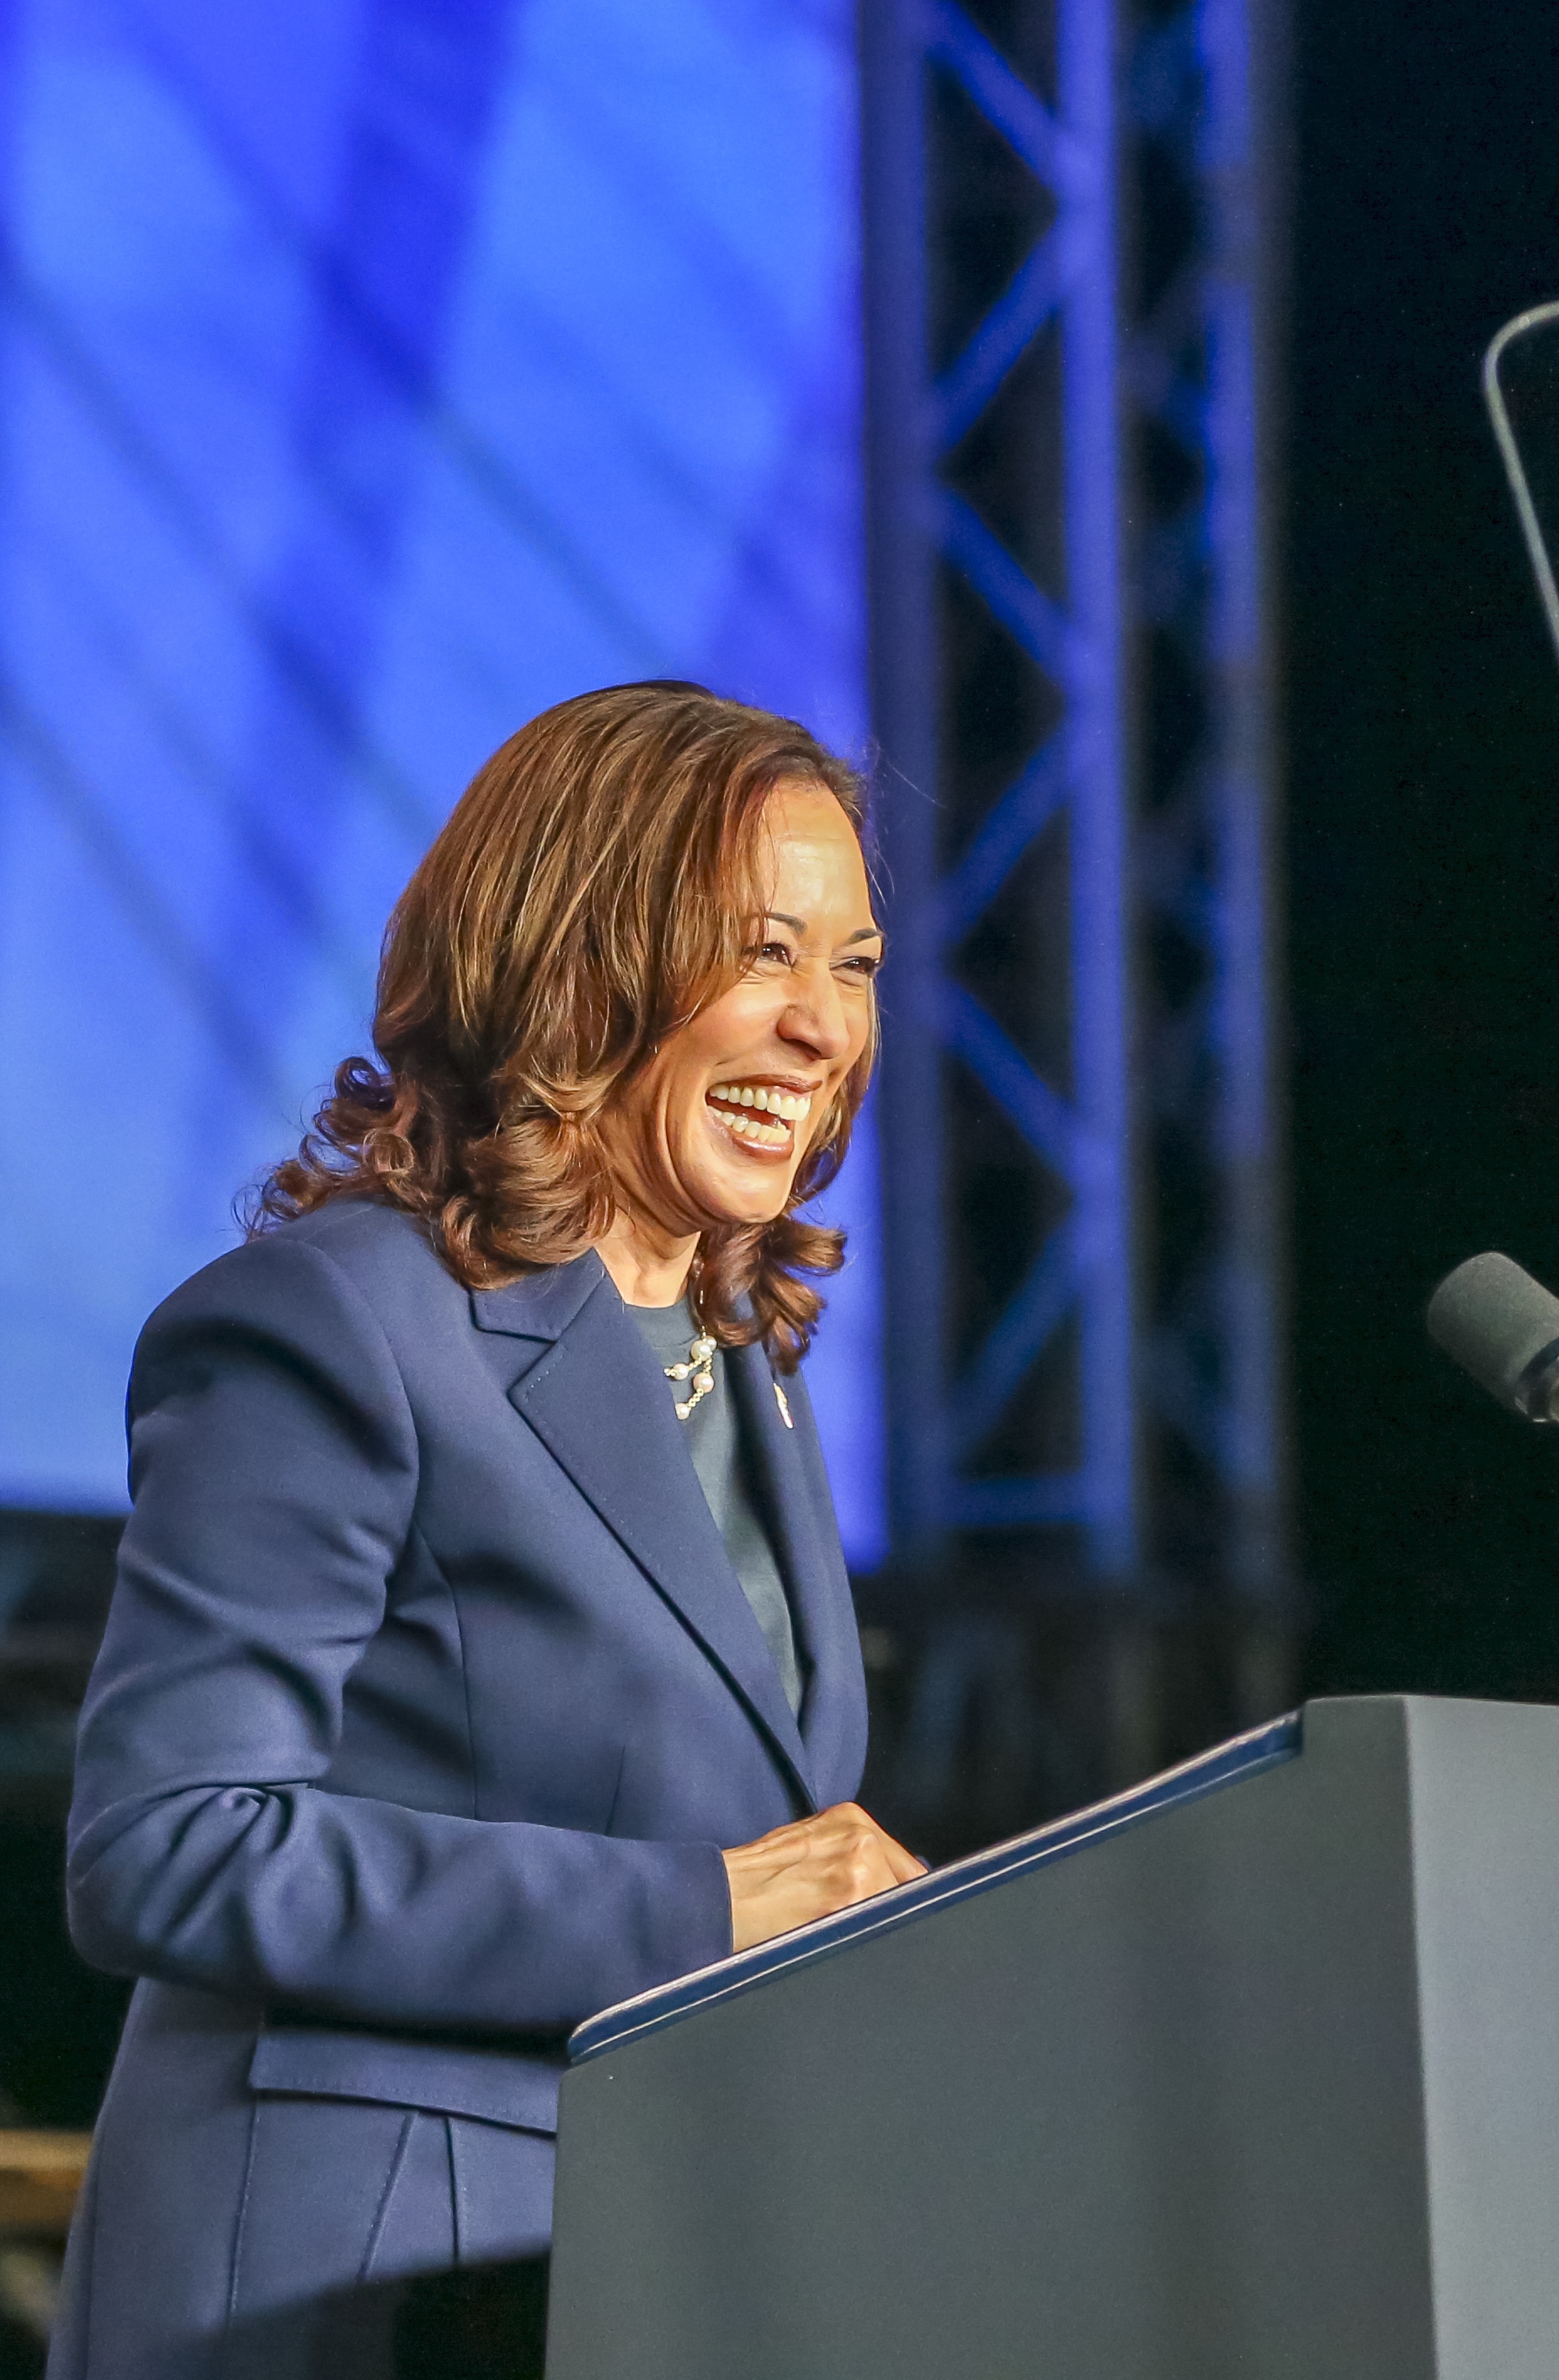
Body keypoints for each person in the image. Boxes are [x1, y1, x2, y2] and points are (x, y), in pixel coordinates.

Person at [46, 684, 927, 2379]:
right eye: (760, 950)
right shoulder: (335, 1321)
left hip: (631, 2269)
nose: (822, 1026)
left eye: (856, 963)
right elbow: (169, 1839)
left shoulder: (747, 1362)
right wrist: (698, 1906)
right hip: (349, 2280)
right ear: (576, 960)